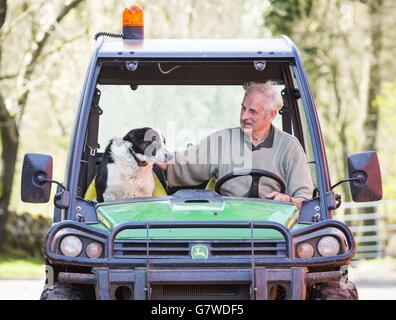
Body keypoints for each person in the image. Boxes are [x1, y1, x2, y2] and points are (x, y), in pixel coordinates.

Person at [157, 81, 313, 209]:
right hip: (228, 223)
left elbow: (305, 201)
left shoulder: (289, 147)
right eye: (243, 108)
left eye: (252, 111)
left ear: (271, 114)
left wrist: (287, 201)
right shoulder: (222, 140)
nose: (244, 116)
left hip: (273, 225)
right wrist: (154, 156)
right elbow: (185, 162)